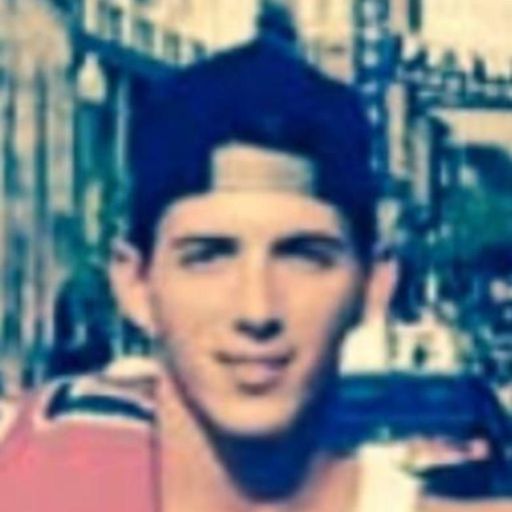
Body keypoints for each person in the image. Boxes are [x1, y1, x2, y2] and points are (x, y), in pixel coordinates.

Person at [0, 39, 510, 512]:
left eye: (304, 256)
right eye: (208, 257)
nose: (256, 309)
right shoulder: (47, 480)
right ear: (135, 284)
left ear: (373, 284)